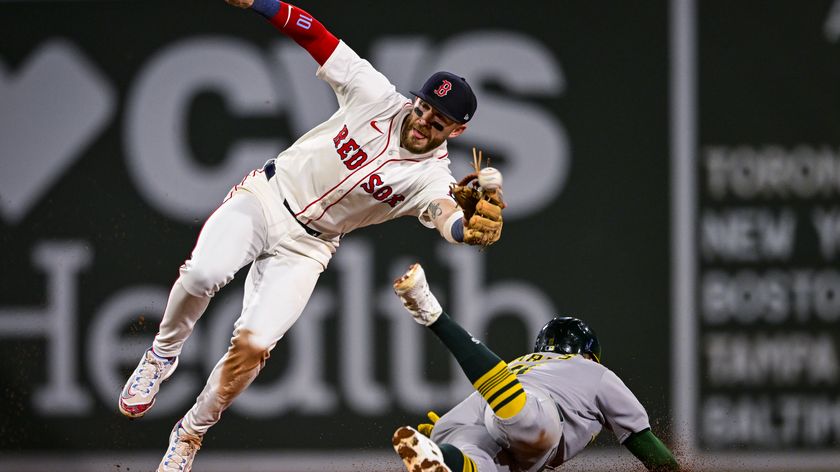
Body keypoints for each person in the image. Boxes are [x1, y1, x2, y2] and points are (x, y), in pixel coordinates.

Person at [116, 1, 505, 471]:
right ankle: (162, 354)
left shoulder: (433, 177)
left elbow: (447, 215)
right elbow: (316, 37)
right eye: (424, 106)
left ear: (458, 130)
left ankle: (190, 433)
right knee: (203, 272)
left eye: (438, 119)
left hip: (310, 247)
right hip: (266, 196)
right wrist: (265, 4)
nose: (423, 120)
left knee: (254, 349)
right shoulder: (376, 96)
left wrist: (467, 232)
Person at [391, 263, 680, 472]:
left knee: (478, 465)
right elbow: (642, 440)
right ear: (589, 353)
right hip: (524, 409)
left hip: (468, 416)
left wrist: (444, 438)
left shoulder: (524, 362)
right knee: (526, 423)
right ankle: (433, 314)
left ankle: (441, 456)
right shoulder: (594, 371)